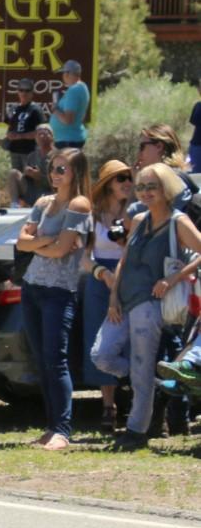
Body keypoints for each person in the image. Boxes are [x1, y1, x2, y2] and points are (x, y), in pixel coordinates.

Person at [93, 164, 201, 447]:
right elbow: (124, 260)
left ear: (166, 189)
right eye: (141, 187)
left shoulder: (178, 222)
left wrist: (173, 278)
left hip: (151, 304)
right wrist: (113, 297)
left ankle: (136, 432)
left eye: (152, 186)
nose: (145, 192)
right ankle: (153, 382)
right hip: (124, 300)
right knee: (101, 355)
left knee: (141, 366)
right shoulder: (139, 219)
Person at [16, 147, 92, 449]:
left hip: (59, 290)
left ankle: (62, 429)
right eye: (52, 168)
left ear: (76, 172)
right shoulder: (43, 202)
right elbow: (21, 243)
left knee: (55, 359)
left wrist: (39, 243)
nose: (55, 174)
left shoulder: (79, 204)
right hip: (32, 285)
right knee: (40, 360)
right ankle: (50, 427)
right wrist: (48, 240)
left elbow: (63, 251)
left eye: (62, 169)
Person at [82, 160, 135, 432]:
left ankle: (137, 399)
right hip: (99, 281)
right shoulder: (93, 215)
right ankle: (108, 405)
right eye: (120, 178)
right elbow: (83, 258)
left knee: (133, 340)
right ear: (107, 185)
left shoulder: (136, 211)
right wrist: (102, 273)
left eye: (129, 177)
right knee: (99, 339)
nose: (127, 183)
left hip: (132, 279)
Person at [2, 79, 47, 206]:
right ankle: (16, 204)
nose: (24, 93)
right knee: (14, 177)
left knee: (30, 177)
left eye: (27, 90)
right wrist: (10, 135)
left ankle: (34, 203)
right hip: (15, 150)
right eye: (21, 90)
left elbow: (40, 131)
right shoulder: (14, 109)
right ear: (18, 92)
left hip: (30, 151)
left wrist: (21, 136)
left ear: (32, 93)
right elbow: (10, 126)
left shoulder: (35, 110)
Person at [48, 60, 90, 149]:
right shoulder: (82, 87)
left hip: (68, 142)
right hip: (70, 139)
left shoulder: (73, 90)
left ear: (67, 74)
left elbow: (68, 120)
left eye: (63, 73)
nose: (63, 76)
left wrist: (55, 109)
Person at [14, 124, 56, 207]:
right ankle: (14, 204)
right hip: (32, 190)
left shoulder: (57, 156)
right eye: (39, 134)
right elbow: (27, 177)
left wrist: (40, 177)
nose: (41, 136)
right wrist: (27, 172)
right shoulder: (32, 156)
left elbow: (59, 181)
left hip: (49, 192)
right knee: (14, 173)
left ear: (52, 137)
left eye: (45, 134)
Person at [189, 83, 201, 173]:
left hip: (196, 145)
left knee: (197, 174)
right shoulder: (198, 106)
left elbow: (193, 121)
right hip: (197, 145)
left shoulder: (198, 106)